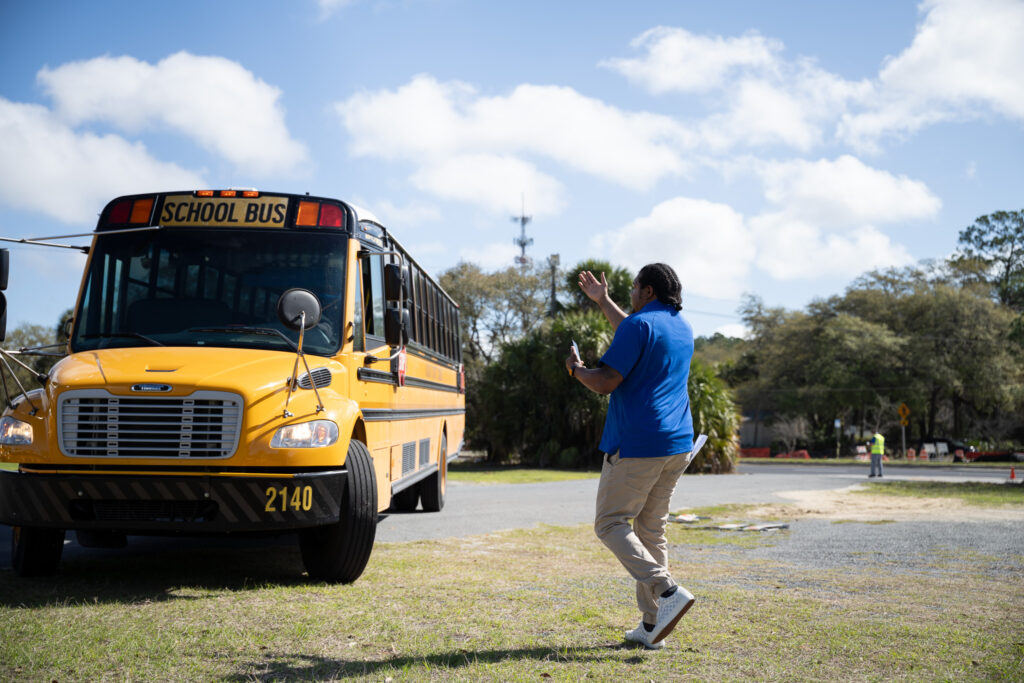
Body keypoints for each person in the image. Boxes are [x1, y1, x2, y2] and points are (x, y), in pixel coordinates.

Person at [565, 263, 696, 650]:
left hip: (639, 443)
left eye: (635, 287)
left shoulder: (639, 326)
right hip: (678, 444)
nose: (631, 293)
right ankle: (653, 624)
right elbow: (634, 329)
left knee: (609, 523)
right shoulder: (679, 326)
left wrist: (576, 370)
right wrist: (603, 301)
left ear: (648, 291)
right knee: (651, 531)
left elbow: (605, 382)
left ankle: (668, 592)